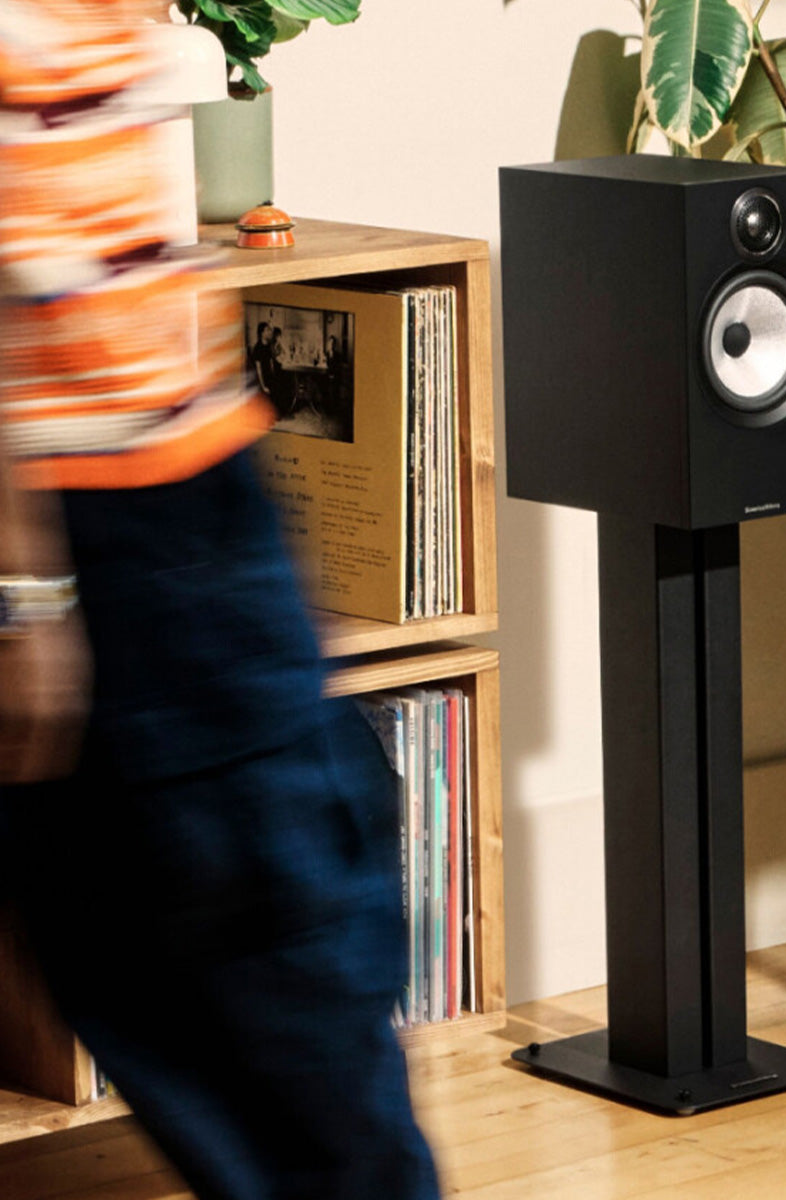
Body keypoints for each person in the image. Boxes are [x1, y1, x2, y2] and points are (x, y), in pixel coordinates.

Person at [0, 4, 440, 1198]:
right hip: (113, 526)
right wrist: (28, 593)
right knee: (259, 971)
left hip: (190, 490)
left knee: (259, 956)